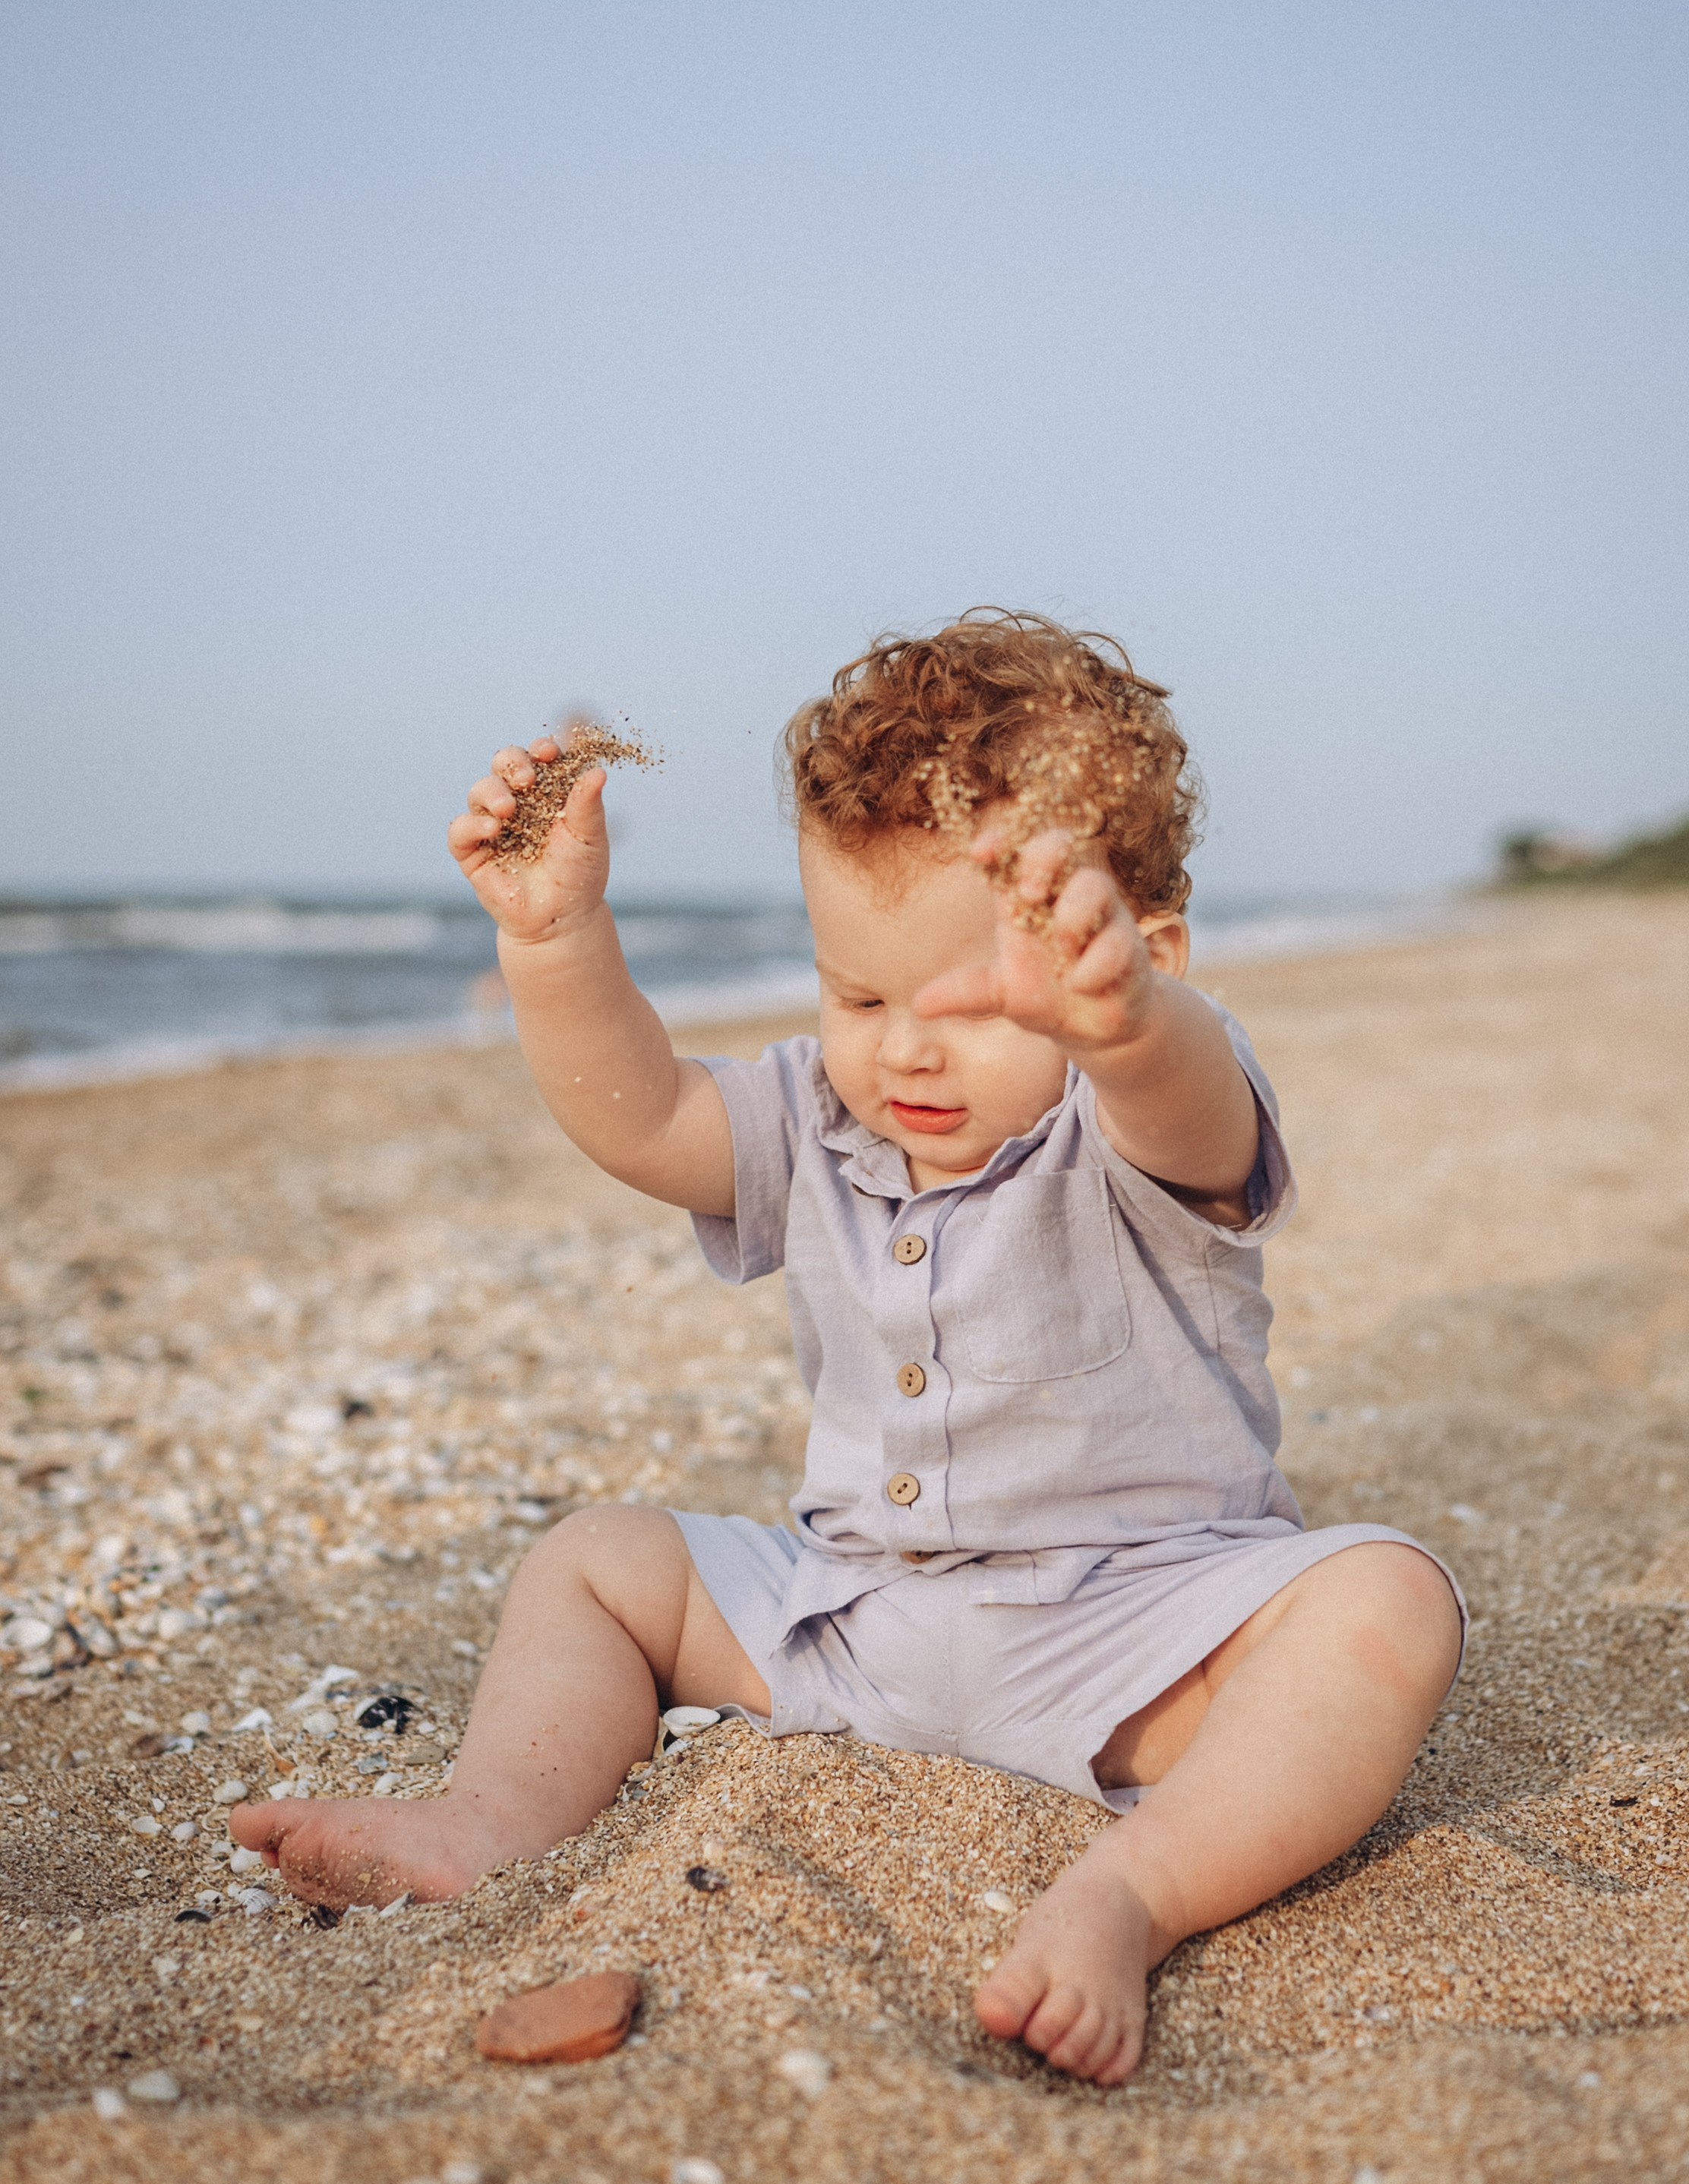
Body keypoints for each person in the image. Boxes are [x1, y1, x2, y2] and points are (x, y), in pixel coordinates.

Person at [232, 612, 1463, 2085]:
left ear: (1148, 954)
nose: (904, 1051)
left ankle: (1132, 1891)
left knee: (1385, 1604)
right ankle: (487, 1818)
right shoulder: (820, 1114)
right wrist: (556, 943)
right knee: (597, 1558)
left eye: (970, 1004)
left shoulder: (1139, 1118)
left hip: (1133, 1641)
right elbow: (642, 1120)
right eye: (856, 992)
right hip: (851, 1620)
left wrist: (1130, 1026)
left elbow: (1192, 1106)